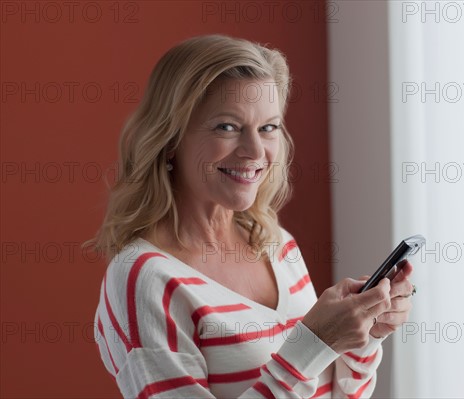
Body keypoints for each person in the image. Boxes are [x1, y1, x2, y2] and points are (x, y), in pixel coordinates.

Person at [88, 34, 415, 399]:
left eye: (268, 127)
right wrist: (314, 343)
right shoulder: (143, 279)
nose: (255, 151)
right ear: (169, 140)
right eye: (227, 127)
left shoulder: (275, 242)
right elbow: (302, 363)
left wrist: (361, 337)